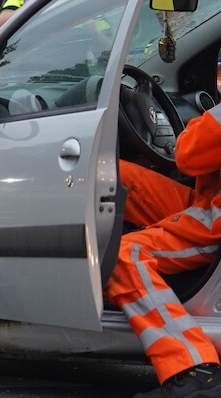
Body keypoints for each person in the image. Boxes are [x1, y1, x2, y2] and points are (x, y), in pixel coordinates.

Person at [106, 106, 221, 397]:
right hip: (208, 201)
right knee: (109, 176)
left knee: (122, 256)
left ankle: (193, 367)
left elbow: (188, 154)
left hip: (213, 221)